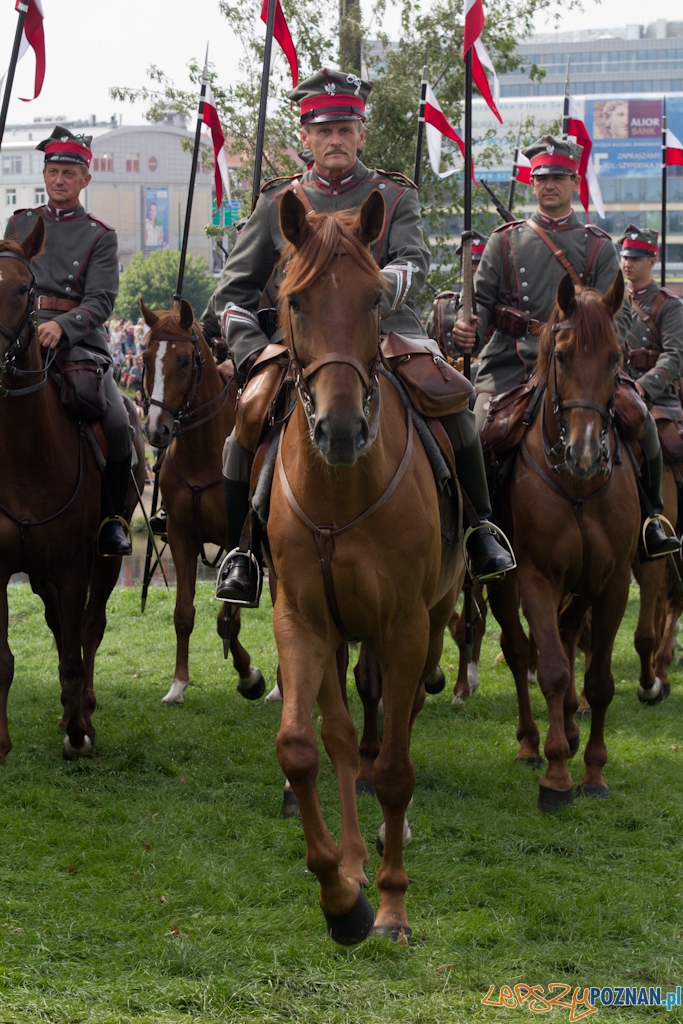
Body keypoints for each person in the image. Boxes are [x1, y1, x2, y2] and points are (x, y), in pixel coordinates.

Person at [201, 68, 514, 605]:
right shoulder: (279, 202)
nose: (335, 139)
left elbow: (413, 262)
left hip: (388, 334)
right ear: (305, 137)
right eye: (323, 130)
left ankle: (480, 529)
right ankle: (241, 553)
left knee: (453, 404)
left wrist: (366, 296)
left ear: (361, 134)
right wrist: (256, 353)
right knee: (246, 422)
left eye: (345, 129)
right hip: (300, 347)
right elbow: (230, 294)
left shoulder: (392, 194)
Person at [453, 134, 678, 559]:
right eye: (541, 177)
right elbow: (480, 304)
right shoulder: (505, 241)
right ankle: (479, 529)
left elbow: (620, 314)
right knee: (475, 429)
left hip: (582, 367)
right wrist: (467, 329)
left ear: (575, 181)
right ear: (532, 182)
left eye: (558, 177)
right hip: (510, 363)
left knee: (641, 420)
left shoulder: (597, 245)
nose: (549, 184)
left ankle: (651, 519)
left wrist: (594, 341)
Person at [4, 126, 133, 556]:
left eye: (69, 173)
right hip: (20, 334)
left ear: (85, 180)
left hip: (79, 342)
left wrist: (63, 326)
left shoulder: (100, 235)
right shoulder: (19, 222)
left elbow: (102, 299)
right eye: (53, 171)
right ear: (44, 174)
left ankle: (111, 518)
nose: (59, 179)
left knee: (117, 422)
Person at [619, 224, 683, 409]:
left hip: (656, 398)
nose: (627, 264)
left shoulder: (668, 305)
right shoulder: (614, 301)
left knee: (668, 430)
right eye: (625, 257)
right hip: (616, 394)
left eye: (636, 259)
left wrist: (642, 387)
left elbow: (674, 355)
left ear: (653, 261)